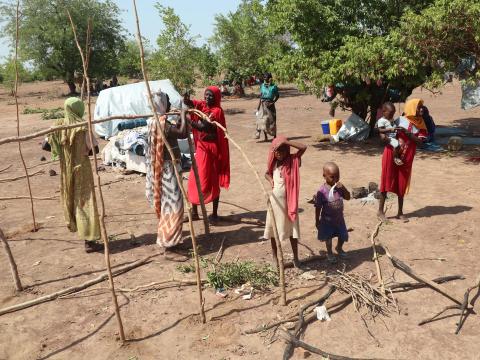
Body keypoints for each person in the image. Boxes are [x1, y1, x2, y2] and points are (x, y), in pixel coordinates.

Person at [46, 97, 101, 253]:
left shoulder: (58, 126)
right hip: (82, 170)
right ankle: (89, 241)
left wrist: (65, 151)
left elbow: (46, 145)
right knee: (85, 201)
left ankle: (78, 228)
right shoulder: (82, 127)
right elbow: (95, 150)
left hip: (66, 170)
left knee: (71, 199)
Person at [145, 91, 188, 257]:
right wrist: (183, 113)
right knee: (174, 205)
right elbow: (183, 133)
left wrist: (179, 119)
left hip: (164, 168)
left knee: (168, 204)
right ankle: (169, 242)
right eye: (167, 101)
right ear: (161, 104)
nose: (170, 104)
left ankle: (170, 239)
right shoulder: (161, 123)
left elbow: (177, 130)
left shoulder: (152, 121)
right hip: (168, 170)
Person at [184, 86, 230, 223]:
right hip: (201, 148)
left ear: (216, 98)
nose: (207, 98)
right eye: (206, 95)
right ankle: (195, 213)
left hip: (211, 150)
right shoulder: (204, 106)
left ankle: (214, 214)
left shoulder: (217, 111)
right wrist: (187, 100)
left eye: (211, 96)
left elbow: (204, 126)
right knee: (195, 178)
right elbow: (193, 104)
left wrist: (188, 120)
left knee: (212, 181)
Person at [377, 98, 428, 222]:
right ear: (411, 108)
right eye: (418, 107)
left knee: (402, 183)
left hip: (407, 157)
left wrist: (408, 133)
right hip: (391, 153)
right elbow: (385, 136)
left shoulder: (421, 125)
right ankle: (380, 211)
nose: (421, 109)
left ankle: (400, 212)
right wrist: (385, 136)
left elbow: (421, 143)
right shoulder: (399, 120)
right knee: (386, 180)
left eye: (422, 107)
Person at [264, 136, 307, 269]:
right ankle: (275, 258)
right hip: (275, 203)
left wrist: (286, 142)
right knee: (273, 230)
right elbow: (266, 173)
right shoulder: (274, 163)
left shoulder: (293, 161)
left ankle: (296, 258)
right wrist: (271, 180)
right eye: (276, 151)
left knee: (292, 231)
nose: (279, 154)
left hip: (289, 203)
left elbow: (304, 147)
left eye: (282, 151)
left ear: (287, 150)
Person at [314, 162, 351, 264]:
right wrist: (317, 221)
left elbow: (348, 197)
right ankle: (329, 253)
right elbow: (318, 207)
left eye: (337, 177)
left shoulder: (339, 188)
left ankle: (339, 248)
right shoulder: (321, 191)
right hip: (327, 220)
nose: (335, 180)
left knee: (342, 235)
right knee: (328, 238)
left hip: (339, 219)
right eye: (332, 177)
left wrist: (343, 188)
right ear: (324, 176)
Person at [256, 73, 279, 141]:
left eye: (266, 77)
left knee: (272, 121)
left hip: (270, 105)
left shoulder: (274, 86)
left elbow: (277, 96)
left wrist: (273, 102)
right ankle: (265, 137)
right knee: (263, 120)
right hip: (263, 105)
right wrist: (258, 107)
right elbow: (261, 96)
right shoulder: (262, 86)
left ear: (270, 79)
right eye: (264, 78)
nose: (264, 79)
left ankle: (274, 136)